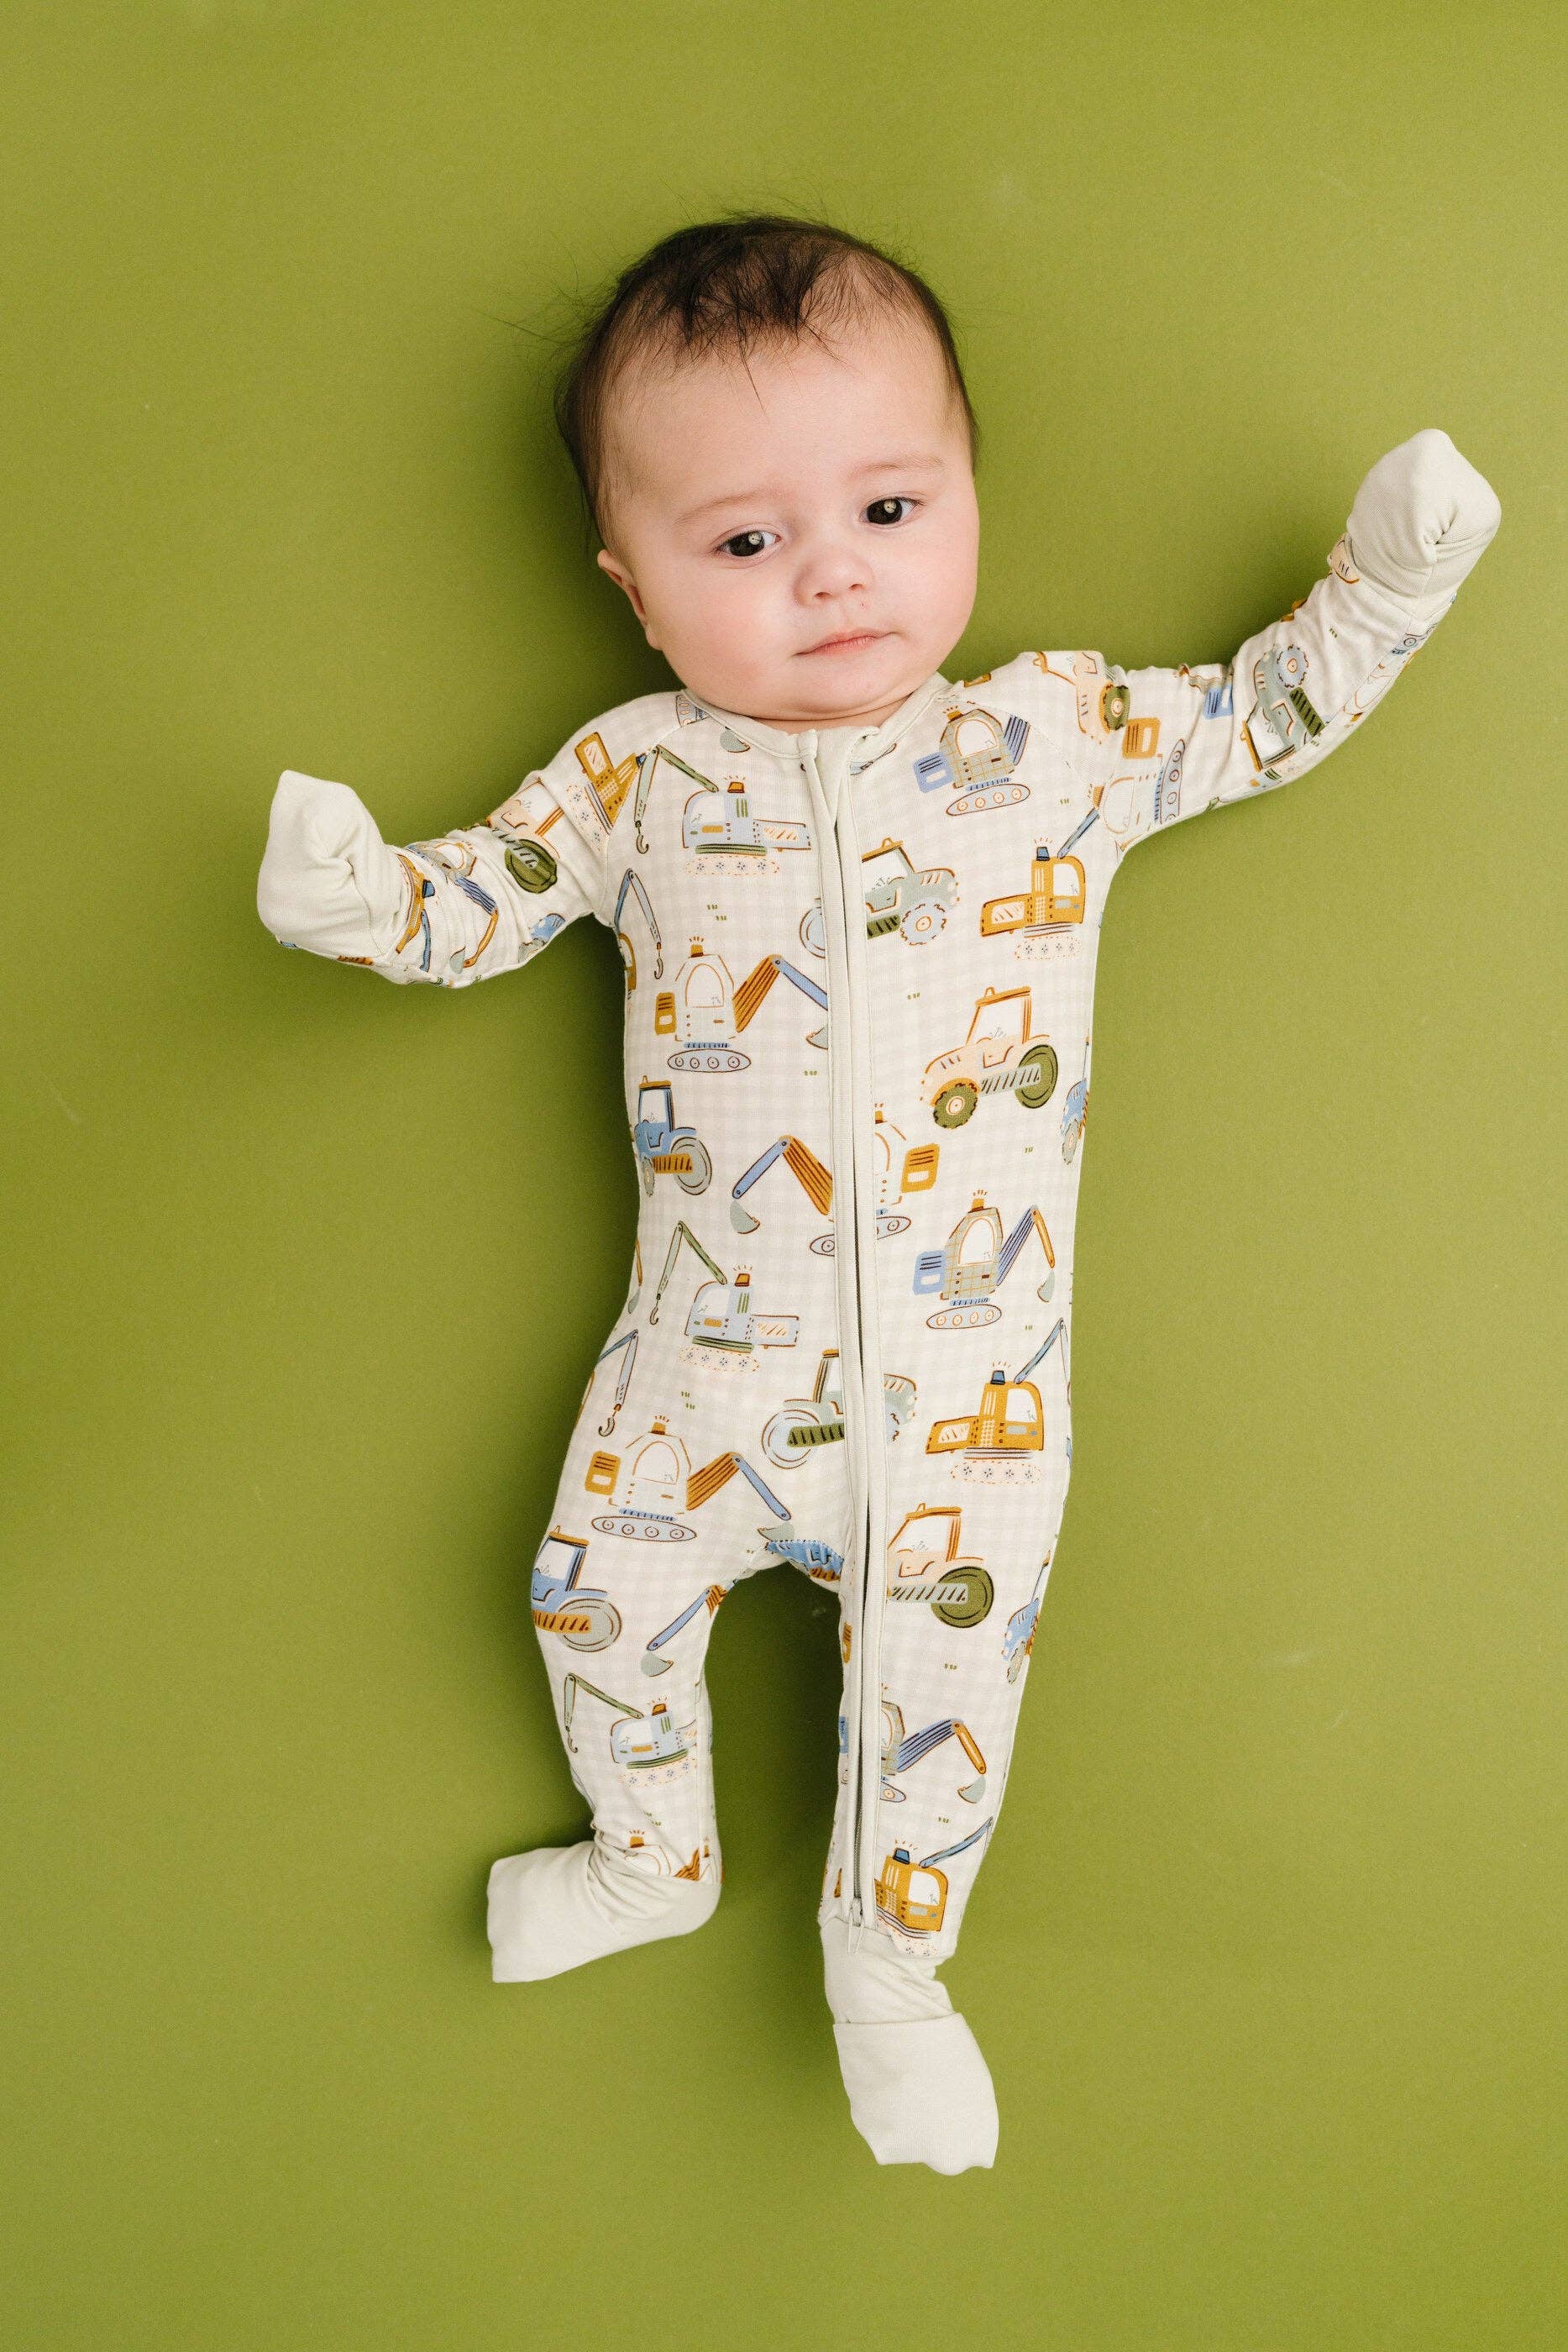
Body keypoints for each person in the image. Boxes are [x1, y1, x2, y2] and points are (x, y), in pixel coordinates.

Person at [255, 213, 1502, 2174]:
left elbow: (1262, 711)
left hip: (965, 1397)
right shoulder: (636, 778)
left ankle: (891, 1971)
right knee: (588, 1590)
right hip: (702, 1372)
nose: (830, 570)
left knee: (942, 1710)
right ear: (635, 590)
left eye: (889, 507)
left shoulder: (1048, 742)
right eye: (744, 541)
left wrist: (1391, 578)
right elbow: (483, 897)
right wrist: (358, 898)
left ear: (966, 497)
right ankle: (649, 1854)